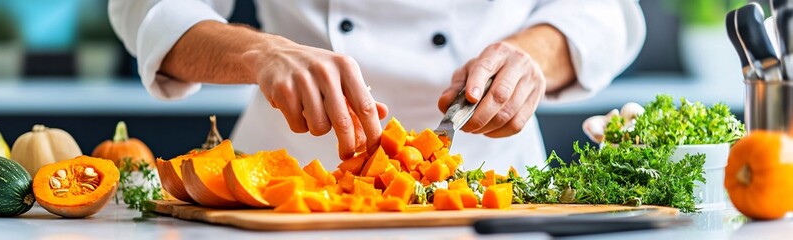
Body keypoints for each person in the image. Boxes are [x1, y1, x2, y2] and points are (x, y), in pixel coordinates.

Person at [109, 0, 645, 175]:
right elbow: (146, 9)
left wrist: (531, 55)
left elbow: (607, 11)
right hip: (285, 177)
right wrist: (262, 52)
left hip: (491, 182)